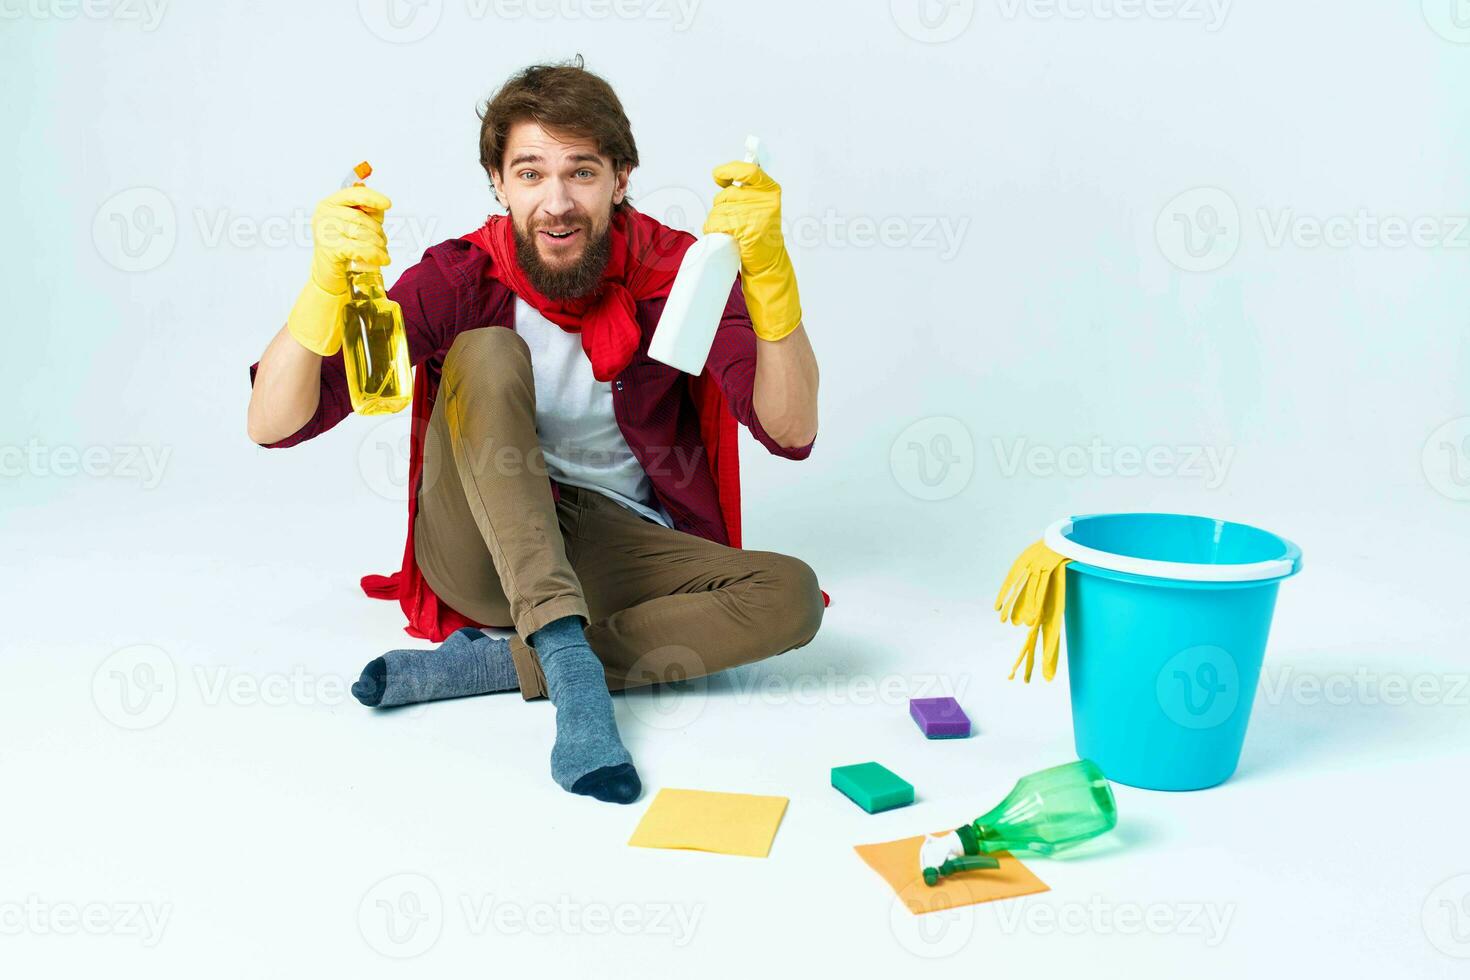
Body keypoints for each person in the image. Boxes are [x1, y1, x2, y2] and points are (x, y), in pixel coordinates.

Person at [245, 59, 825, 805]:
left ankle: (500, 665)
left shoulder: (677, 270)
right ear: (498, 183)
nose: (557, 203)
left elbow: (792, 428)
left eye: (581, 172)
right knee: (485, 350)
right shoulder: (460, 276)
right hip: (480, 549)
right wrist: (322, 287)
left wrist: (771, 280)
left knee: (791, 596)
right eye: (530, 174)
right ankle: (570, 668)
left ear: (621, 178)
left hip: (609, 543)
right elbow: (273, 422)